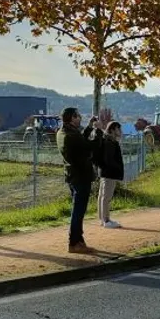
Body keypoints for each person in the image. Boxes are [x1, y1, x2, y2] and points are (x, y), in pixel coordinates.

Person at [56, 107, 102, 254]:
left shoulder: (63, 132)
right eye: (78, 116)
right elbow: (90, 146)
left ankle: (79, 241)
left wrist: (89, 128)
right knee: (78, 211)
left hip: (72, 175)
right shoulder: (72, 135)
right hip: (81, 175)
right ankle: (74, 242)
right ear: (71, 118)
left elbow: (80, 141)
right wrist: (99, 131)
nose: (80, 118)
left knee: (78, 210)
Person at [95, 120, 125, 229]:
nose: (120, 131)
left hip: (104, 172)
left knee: (102, 196)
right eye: (118, 129)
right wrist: (117, 167)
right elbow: (109, 159)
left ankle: (103, 219)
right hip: (109, 173)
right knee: (106, 197)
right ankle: (106, 220)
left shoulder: (106, 140)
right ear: (112, 130)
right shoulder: (110, 142)